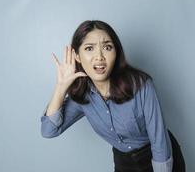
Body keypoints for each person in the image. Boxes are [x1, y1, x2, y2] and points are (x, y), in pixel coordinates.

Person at [40, 20, 173, 172]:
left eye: (107, 47)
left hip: (159, 159)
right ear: (77, 56)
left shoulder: (141, 85)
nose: (99, 56)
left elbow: (159, 140)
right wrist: (61, 87)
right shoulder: (82, 97)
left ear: (116, 53)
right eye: (89, 48)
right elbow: (48, 130)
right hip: (124, 162)